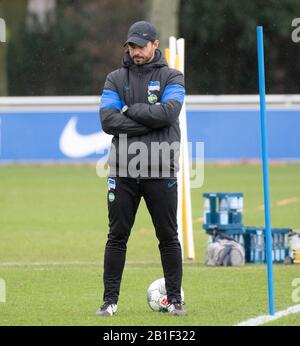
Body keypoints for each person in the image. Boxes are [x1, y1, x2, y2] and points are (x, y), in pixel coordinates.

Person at [96, 20, 186, 317]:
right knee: (117, 237)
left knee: (168, 237)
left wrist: (130, 111)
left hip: (161, 168)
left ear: (154, 45)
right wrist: (150, 120)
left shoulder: (172, 77)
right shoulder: (115, 79)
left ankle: (175, 301)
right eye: (131, 46)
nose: (135, 51)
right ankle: (109, 302)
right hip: (122, 170)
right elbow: (108, 121)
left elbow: (169, 113)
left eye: (140, 46)